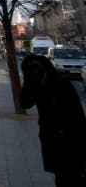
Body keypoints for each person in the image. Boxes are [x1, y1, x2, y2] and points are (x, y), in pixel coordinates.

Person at [20, 54, 86, 186]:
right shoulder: (36, 86)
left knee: (73, 175)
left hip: (72, 138)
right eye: (30, 70)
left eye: (37, 69)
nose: (35, 72)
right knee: (61, 175)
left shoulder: (63, 85)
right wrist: (29, 81)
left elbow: (78, 116)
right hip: (51, 137)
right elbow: (25, 103)